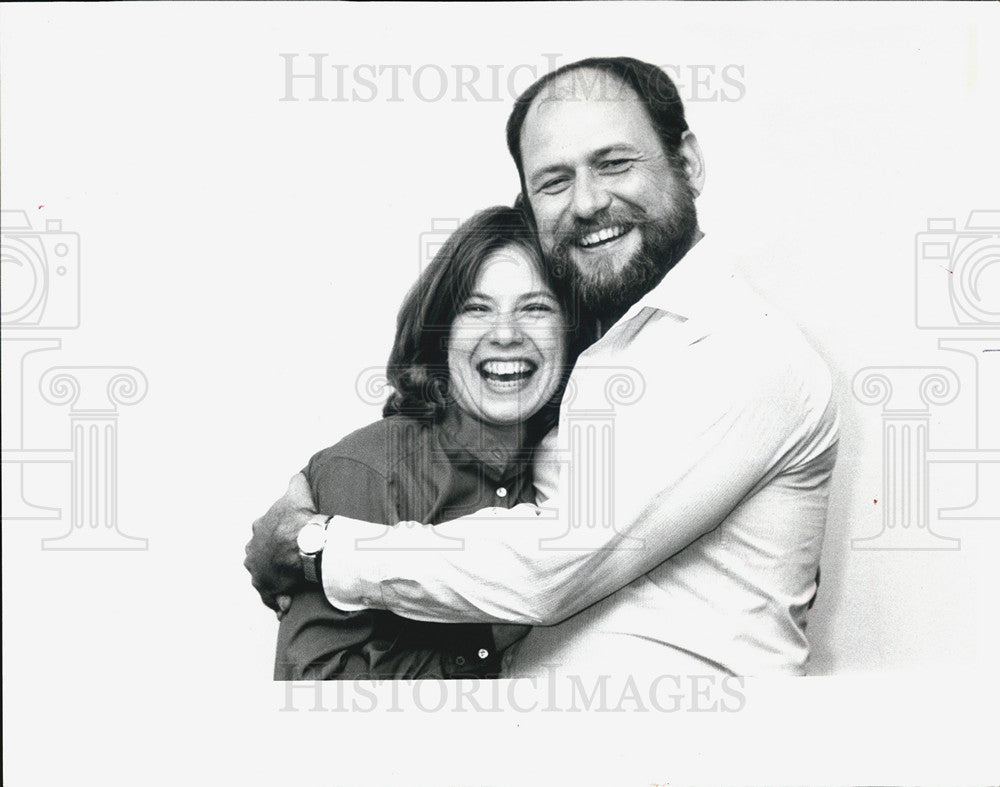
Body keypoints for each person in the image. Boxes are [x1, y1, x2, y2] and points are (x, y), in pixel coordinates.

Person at [246, 56, 839, 677]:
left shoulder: (741, 349)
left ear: (686, 164)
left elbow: (553, 563)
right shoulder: (604, 354)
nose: (586, 202)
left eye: (615, 163)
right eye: (554, 181)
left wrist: (318, 545)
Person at [271, 205, 589, 679]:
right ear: (440, 333)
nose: (506, 334)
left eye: (536, 308)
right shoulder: (367, 470)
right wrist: (488, 637)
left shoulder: (573, 476)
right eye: (476, 309)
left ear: (572, 332)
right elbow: (314, 708)